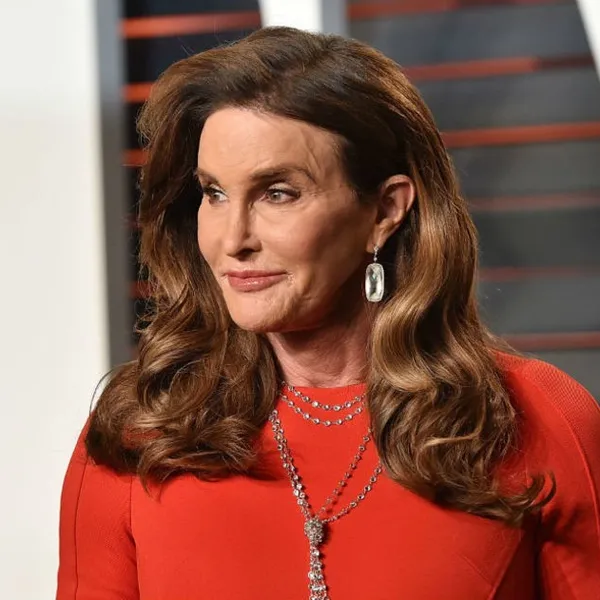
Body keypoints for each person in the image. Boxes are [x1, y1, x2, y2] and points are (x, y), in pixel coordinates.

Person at [56, 27, 600, 599]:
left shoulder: (535, 417)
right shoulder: (142, 428)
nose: (233, 239)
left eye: (278, 193)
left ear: (384, 211)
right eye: (214, 194)